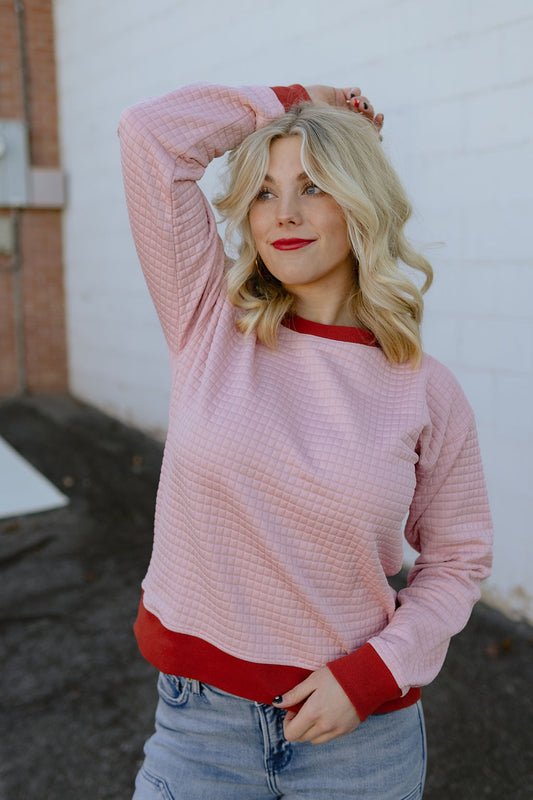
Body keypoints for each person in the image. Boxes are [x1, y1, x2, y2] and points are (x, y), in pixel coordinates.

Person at [118, 82, 493, 800]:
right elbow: (149, 137)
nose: (282, 213)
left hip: (359, 739)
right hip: (200, 729)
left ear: (361, 204)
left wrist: (372, 674)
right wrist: (298, 99)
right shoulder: (208, 325)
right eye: (262, 192)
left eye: (312, 185)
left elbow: (457, 558)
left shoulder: (424, 389)